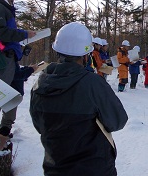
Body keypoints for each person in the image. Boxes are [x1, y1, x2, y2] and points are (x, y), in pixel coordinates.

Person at [30, 22, 128, 176]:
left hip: (55, 168)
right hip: (95, 168)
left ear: (57, 50)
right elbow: (117, 120)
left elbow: (39, 125)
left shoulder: (40, 83)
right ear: (85, 55)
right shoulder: (92, 83)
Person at [0, 0, 36, 136]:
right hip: (0, 61)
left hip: (6, 60)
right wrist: (23, 34)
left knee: (3, 96)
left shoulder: (2, 7)